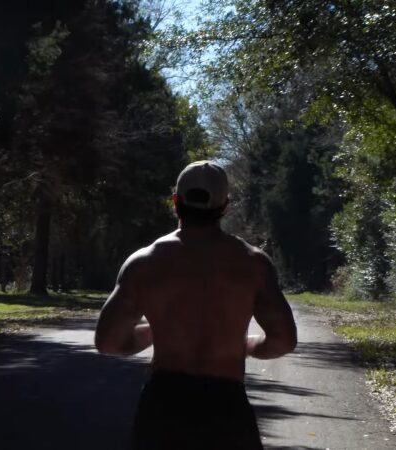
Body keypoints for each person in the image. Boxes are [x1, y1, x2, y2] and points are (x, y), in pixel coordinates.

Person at [94, 160, 298, 450]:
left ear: (175, 201)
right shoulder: (254, 264)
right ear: (225, 206)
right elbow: (284, 340)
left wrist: (158, 330)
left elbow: (108, 342)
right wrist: (246, 345)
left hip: (164, 406)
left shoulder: (144, 262)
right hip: (226, 406)